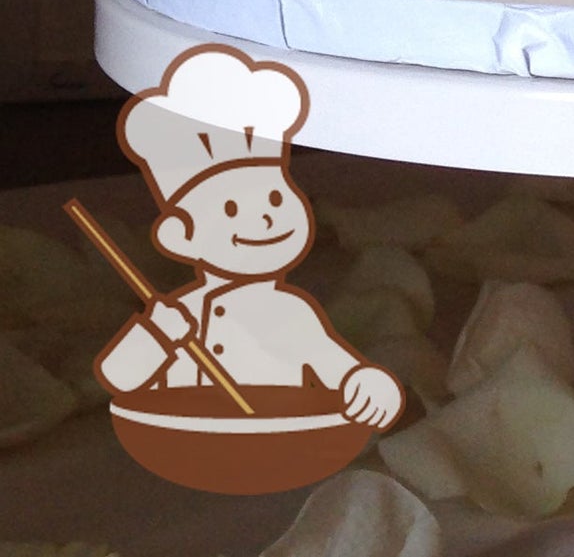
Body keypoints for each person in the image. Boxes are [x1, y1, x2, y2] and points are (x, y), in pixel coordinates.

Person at [95, 44, 401, 429]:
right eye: (231, 210)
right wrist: (156, 334)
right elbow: (120, 376)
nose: (266, 218)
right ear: (181, 237)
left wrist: (368, 384)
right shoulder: (181, 314)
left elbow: (337, 368)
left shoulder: (293, 313)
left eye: (275, 197)